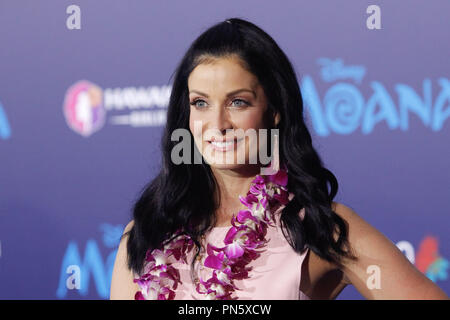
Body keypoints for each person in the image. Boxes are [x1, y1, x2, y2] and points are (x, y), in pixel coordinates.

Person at [110, 18, 448, 300]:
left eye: (238, 102)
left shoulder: (318, 228)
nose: (217, 125)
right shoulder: (144, 235)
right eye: (201, 103)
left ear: (273, 111)